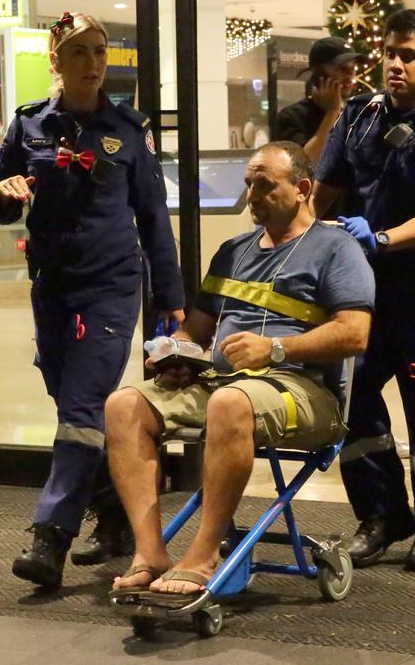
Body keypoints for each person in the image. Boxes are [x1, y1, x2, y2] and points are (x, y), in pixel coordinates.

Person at [106, 141, 374, 598]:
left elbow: (354, 335)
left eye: (265, 185)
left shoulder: (337, 249)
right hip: (224, 383)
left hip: (303, 390)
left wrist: (275, 350)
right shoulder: (233, 251)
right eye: (249, 183)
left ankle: (205, 553)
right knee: (123, 404)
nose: (252, 194)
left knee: (231, 402)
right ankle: (149, 552)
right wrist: (176, 356)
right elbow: (197, 331)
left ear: (303, 188)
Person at [0, 11, 185, 587]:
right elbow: (1, 200)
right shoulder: (29, 126)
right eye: (80, 53)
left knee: (80, 405)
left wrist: (169, 297)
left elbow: (153, 216)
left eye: (100, 52)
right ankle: (119, 511)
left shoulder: (129, 128)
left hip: (112, 287)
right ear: (57, 62)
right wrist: (5, 192)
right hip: (53, 286)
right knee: (74, 403)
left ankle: (50, 536)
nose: (93, 64)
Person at [312, 9, 415, 572]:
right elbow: (324, 191)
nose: (393, 64)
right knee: (350, 392)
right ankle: (382, 515)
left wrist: (379, 238)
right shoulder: (358, 117)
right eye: (388, 53)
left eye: (407, 55)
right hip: (364, 286)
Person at [273, 36, 361, 165]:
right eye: (342, 69)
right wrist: (332, 113)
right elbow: (306, 165)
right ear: (319, 73)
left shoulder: (356, 114)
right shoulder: (291, 117)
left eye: (352, 69)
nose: (349, 76)